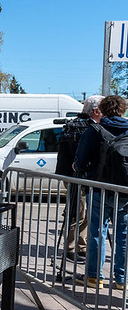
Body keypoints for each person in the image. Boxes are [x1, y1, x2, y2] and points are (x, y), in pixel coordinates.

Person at [74, 94, 128, 289]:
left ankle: (94, 277)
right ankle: (122, 280)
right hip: (124, 191)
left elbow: (80, 161)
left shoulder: (95, 129)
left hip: (98, 189)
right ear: (123, 110)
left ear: (102, 110)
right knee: (123, 234)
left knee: (97, 233)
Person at [55, 95, 103, 261]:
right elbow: (83, 154)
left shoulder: (73, 123)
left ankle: (80, 246)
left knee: (81, 211)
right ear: (96, 111)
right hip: (78, 175)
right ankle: (71, 248)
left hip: (72, 174)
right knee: (79, 211)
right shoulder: (88, 127)